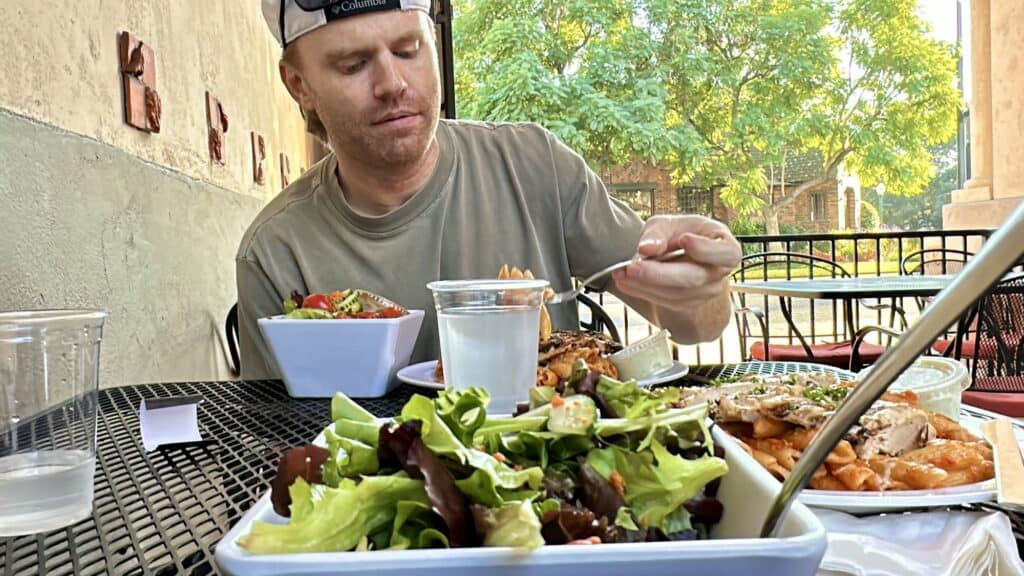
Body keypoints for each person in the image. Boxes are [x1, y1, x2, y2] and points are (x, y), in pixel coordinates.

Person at [238, 0, 743, 379]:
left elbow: (696, 325)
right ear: (298, 84)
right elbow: (272, 440)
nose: (392, 82)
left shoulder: (534, 165)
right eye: (353, 64)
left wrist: (700, 286)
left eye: (408, 49)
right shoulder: (277, 251)